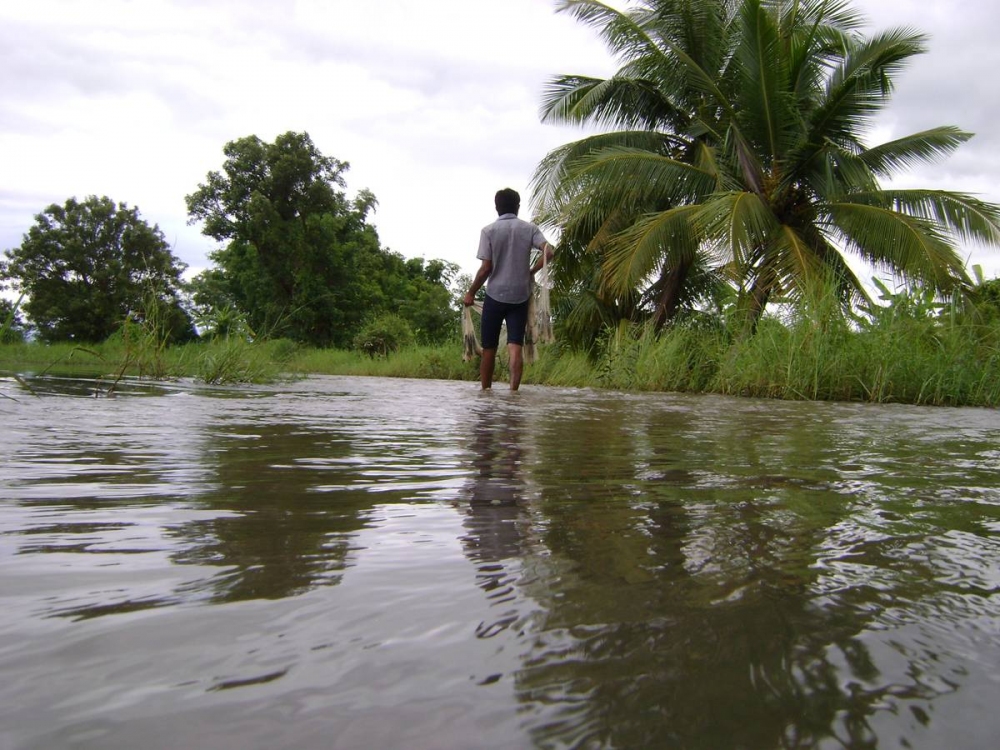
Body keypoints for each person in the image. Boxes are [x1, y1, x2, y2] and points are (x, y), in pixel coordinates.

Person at [463, 188, 554, 390]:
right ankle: (513, 393)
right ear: (518, 207)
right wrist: (531, 271)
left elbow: (486, 268)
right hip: (520, 296)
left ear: (496, 207)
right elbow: (549, 251)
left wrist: (471, 292)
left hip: (495, 296)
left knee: (489, 348)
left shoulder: (488, 231)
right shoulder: (529, 229)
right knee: (515, 346)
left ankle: (486, 393)